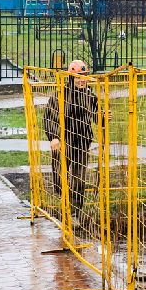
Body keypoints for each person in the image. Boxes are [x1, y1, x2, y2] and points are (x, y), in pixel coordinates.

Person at [43, 60, 100, 211]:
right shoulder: (60, 95)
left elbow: (97, 116)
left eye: (84, 76)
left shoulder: (90, 95)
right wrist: (54, 137)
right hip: (63, 141)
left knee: (79, 177)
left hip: (82, 141)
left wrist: (103, 116)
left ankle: (75, 210)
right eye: (78, 77)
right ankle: (64, 201)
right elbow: (49, 117)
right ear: (70, 77)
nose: (82, 80)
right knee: (60, 173)